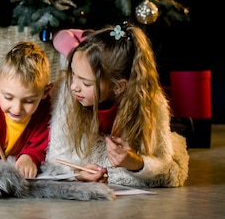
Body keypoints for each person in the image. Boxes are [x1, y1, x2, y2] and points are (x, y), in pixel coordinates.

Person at [41, 22, 190, 187]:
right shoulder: (67, 92)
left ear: (118, 87)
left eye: (86, 83)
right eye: (73, 75)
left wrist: (136, 163)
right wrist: (78, 173)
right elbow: (56, 157)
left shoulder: (151, 101)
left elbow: (163, 163)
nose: (73, 86)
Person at [0, 41, 52, 179]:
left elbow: (40, 145)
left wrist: (28, 157)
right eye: (8, 97)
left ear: (45, 92)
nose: (17, 108)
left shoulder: (45, 112)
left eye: (28, 101)